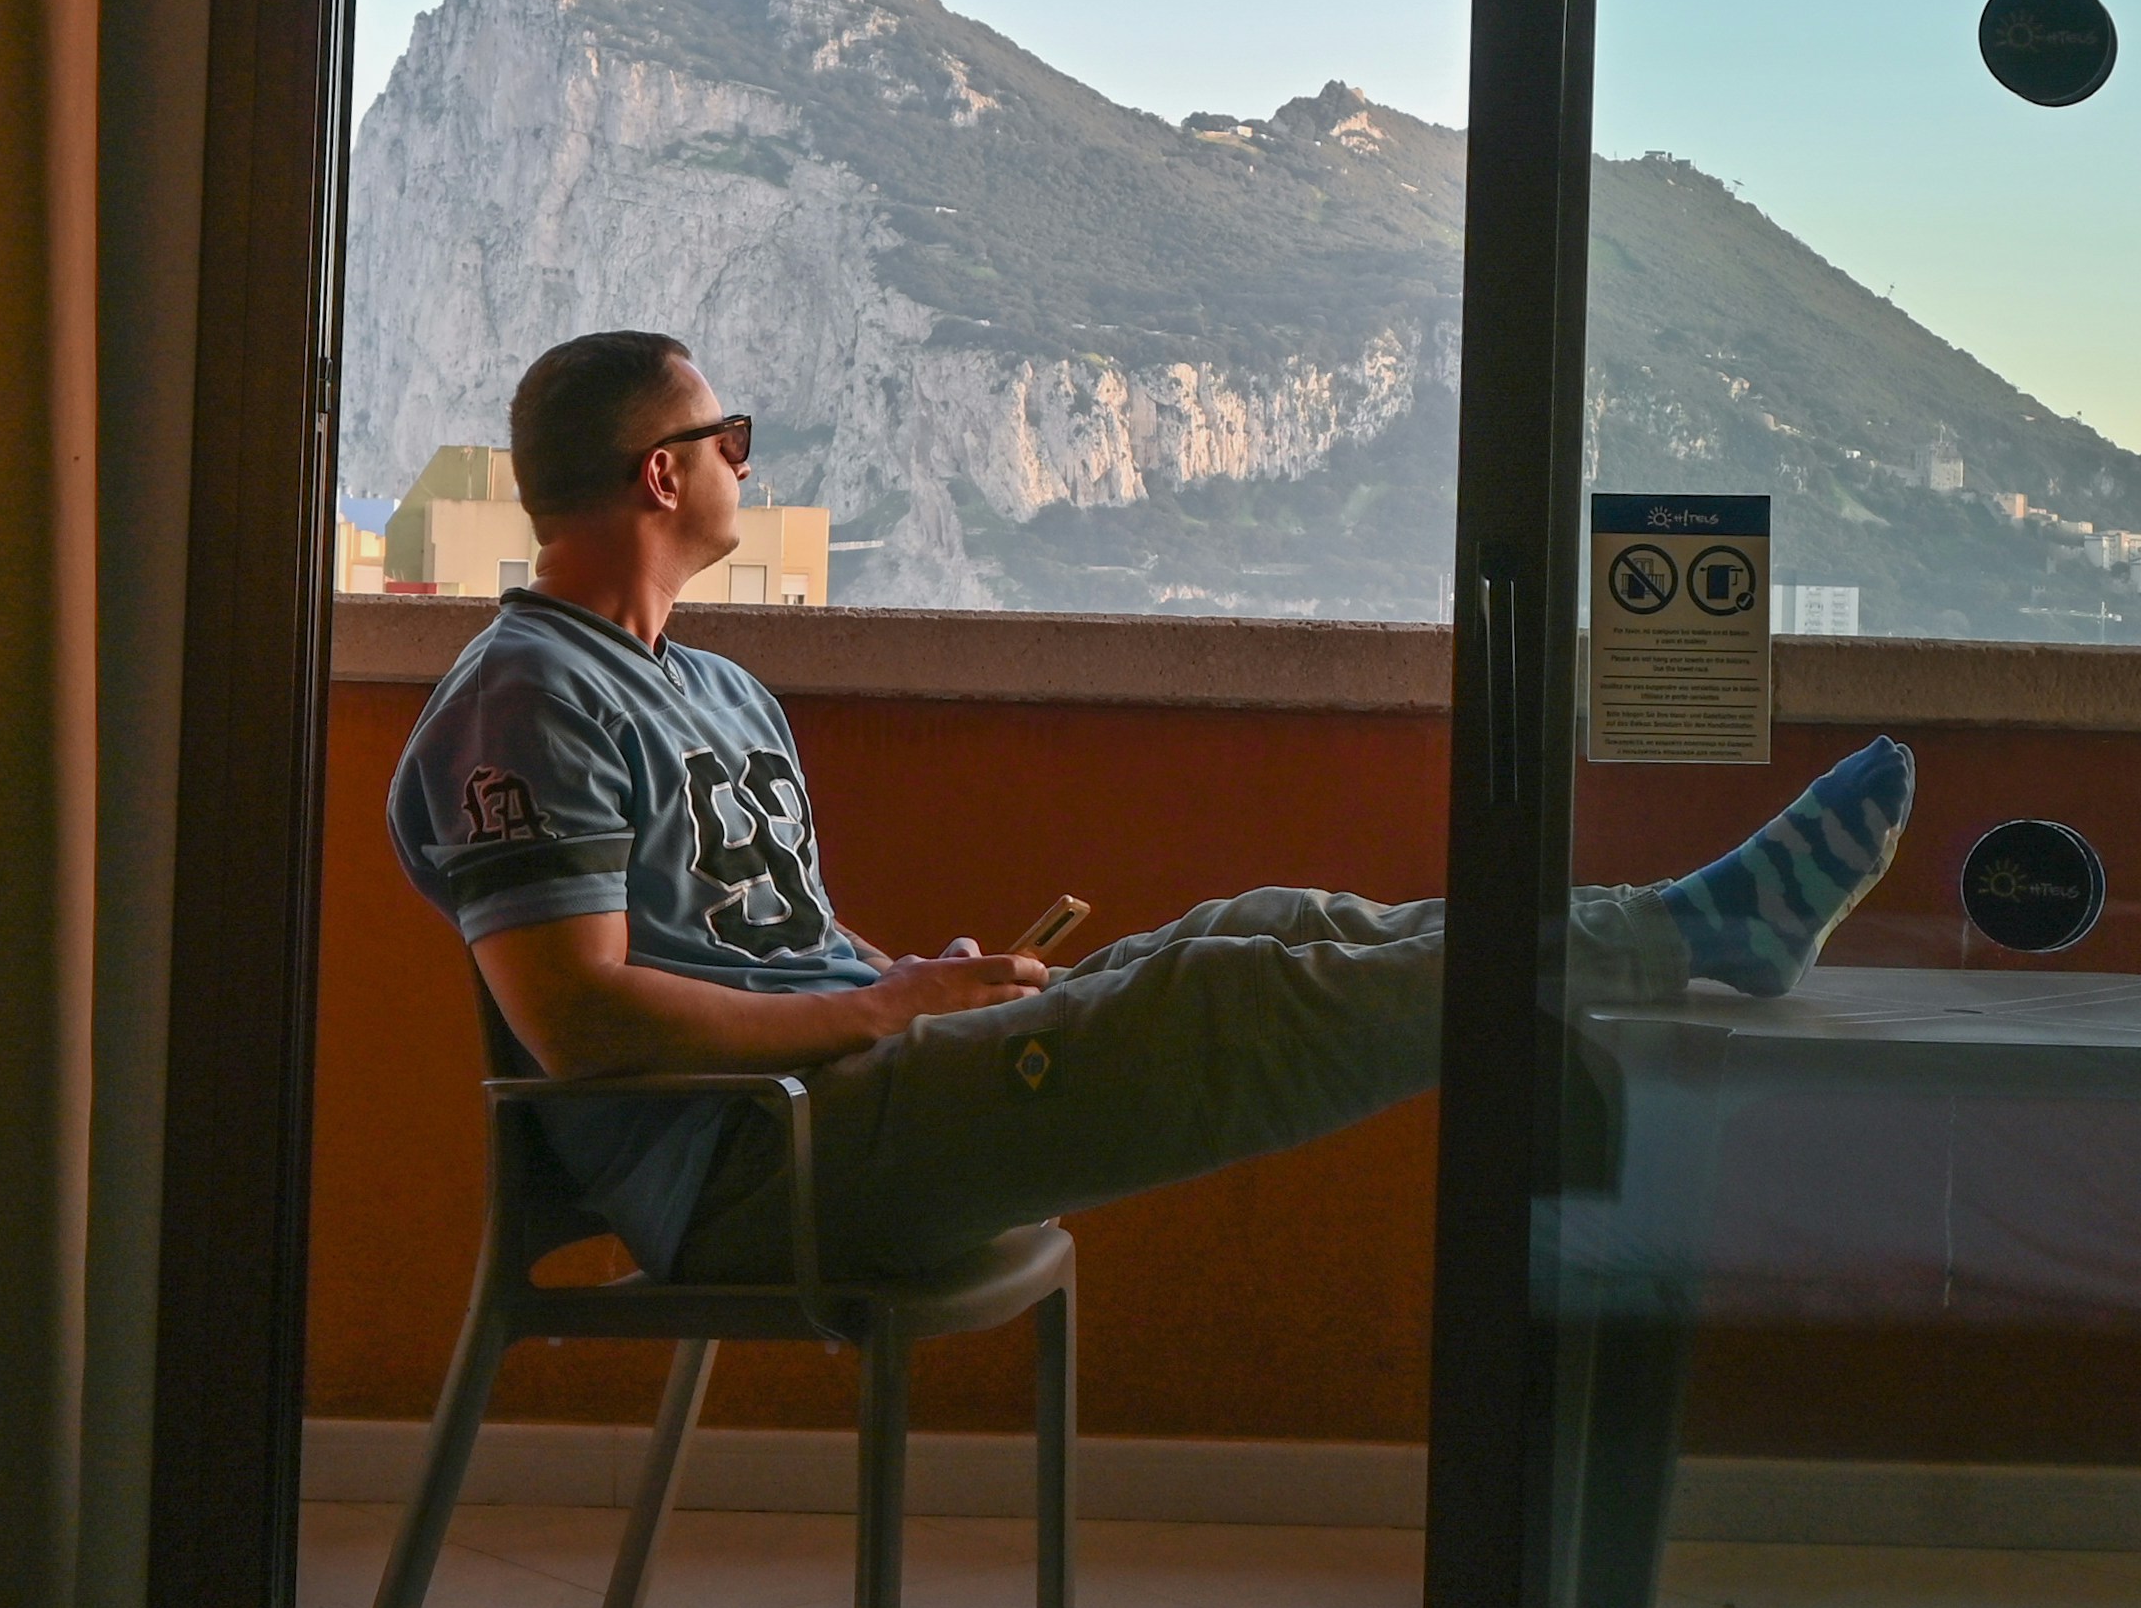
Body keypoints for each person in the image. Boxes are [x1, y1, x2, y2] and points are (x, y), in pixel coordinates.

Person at [390, 330, 1920, 1285]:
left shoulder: (721, 687)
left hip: (842, 1089)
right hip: (754, 1165)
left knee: (1270, 924)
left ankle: (1685, 928)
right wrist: (875, 1014)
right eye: (731, 441)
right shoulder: (526, 695)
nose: (745, 462)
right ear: (663, 477)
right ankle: (1684, 933)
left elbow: (767, 945)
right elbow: (577, 1018)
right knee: (1226, 997)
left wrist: (911, 981)